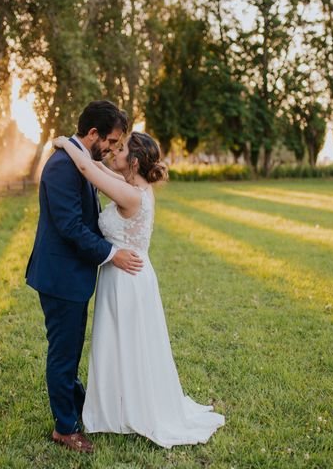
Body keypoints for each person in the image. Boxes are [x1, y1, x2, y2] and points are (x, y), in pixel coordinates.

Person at [53, 131, 225, 449]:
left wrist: (67, 144)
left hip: (127, 280)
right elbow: (100, 169)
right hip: (126, 274)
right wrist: (86, 152)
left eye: (120, 150)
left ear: (133, 162)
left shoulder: (132, 195)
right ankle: (119, 402)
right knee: (122, 342)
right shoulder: (134, 187)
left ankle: (129, 407)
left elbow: (89, 171)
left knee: (128, 342)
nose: (113, 153)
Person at [25, 101, 144, 454]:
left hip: (71, 274)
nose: (110, 149)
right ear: (93, 133)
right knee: (63, 352)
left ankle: (78, 406)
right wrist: (112, 254)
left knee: (72, 346)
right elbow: (71, 227)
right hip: (60, 275)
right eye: (109, 141)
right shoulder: (63, 166)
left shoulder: (80, 160)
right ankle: (65, 428)